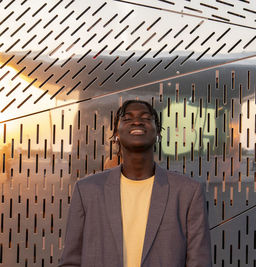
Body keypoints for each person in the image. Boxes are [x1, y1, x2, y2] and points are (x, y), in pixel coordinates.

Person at [59, 100, 212, 267]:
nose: (137, 121)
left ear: (158, 133)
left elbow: (199, 262)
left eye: (146, 118)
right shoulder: (87, 191)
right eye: (127, 118)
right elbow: (71, 261)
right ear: (116, 134)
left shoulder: (187, 192)